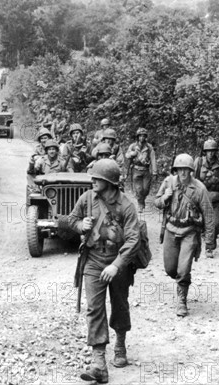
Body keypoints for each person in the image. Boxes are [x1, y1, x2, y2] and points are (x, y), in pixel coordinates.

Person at [68, 159, 143, 383]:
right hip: (93, 259)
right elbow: (71, 219)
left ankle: (120, 344)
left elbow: (133, 240)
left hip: (119, 261)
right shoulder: (87, 198)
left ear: (109, 182)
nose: (92, 181)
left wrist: (116, 265)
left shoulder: (126, 205)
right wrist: (81, 226)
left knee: (120, 304)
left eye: (97, 178)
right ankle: (99, 361)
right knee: (94, 308)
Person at [154, 154, 215, 316]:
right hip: (171, 229)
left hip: (190, 232)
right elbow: (156, 202)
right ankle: (181, 279)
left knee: (183, 268)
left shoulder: (199, 189)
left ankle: (182, 300)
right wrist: (164, 198)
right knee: (170, 268)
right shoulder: (168, 182)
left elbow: (209, 216)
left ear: (191, 171)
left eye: (186, 170)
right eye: (179, 169)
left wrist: (209, 242)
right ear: (176, 170)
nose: (182, 173)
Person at [193, 139, 219, 258]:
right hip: (201, 198)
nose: (211, 153)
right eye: (208, 151)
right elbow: (192, 180)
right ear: (205, 152)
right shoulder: (199, 162)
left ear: (216, 151)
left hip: (215, 199)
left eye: (213, 151)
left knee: (215, 225)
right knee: (198, 223)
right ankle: (203, 245)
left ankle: (210, 246)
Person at [126, 128, 158, 213]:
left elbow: (153, 159)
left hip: (146, 170)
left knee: (146, 189)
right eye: (140, 136)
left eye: (144, 136)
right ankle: (140, 205)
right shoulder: (133, 146)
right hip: (136, 170)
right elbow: (127, 155)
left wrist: (155, 172)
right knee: (139, 189)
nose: (142, 138)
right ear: (137, 136)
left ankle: (142, 200)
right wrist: (132, 154)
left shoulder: (149, 147)